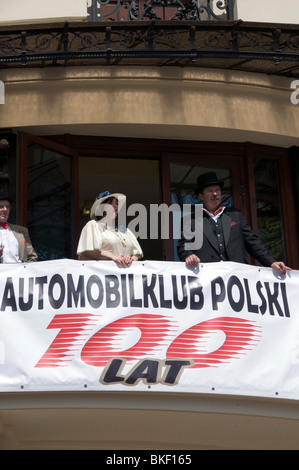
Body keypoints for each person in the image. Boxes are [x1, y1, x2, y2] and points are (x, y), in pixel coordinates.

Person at [177, 172, 291, 275]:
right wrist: (188, 256)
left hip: (238, 276)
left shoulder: (236, 215)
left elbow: (253, 243)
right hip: (207, 278)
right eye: (210, 191)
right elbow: (184, 246)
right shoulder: (190, 220)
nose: (215, 194)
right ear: (201, 196)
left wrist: (271, 262)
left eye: (217, 190)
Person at [77, 190, 143, 267]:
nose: (116, 206)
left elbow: (137, 254)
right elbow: (87, 250)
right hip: (103, 275)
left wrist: (130, 259)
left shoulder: (125, 231)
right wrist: (113, 257)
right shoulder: (93, 225)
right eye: (111, 203)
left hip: (125, 276)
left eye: (116, 203)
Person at [0, 193, 38, 263]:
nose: (5, 209)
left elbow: (32, 257)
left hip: (20, 273)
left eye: (7, 207)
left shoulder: (21, 231)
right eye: (1, 206)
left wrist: (25, 272)